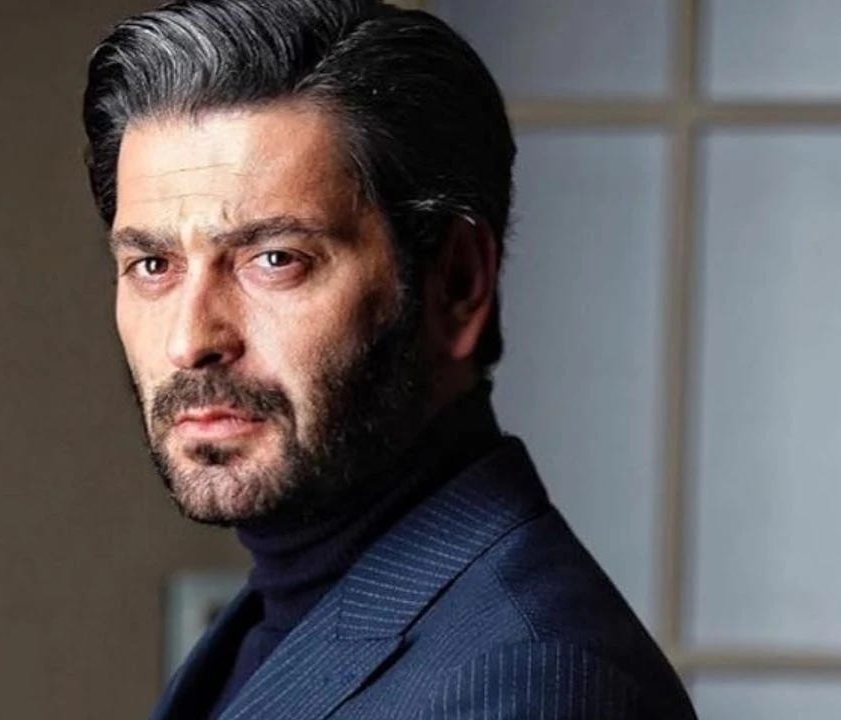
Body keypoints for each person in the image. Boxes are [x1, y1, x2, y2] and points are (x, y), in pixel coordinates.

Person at [81, 1, 697, 718]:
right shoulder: (275, 619)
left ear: (457, 282)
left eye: (275, 259)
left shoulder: (528, 683)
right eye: (153, 265)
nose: (190, 341)